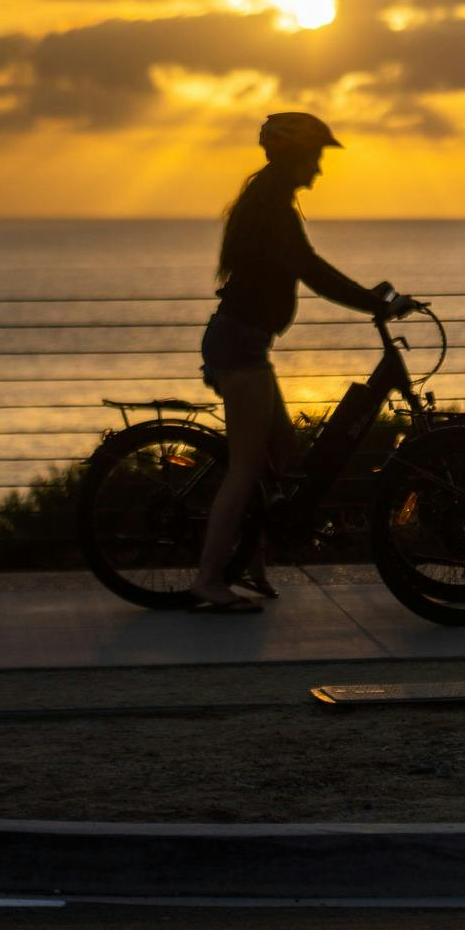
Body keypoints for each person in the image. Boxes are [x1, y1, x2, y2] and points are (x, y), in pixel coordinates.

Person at [189, 112, 414, 612]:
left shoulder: (268, 201)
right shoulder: (271, 208)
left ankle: (251, 567)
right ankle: (208, 580)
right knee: (246, 467)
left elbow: (308, 267)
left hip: (244, 343)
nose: (318, 168)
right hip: (239, 346)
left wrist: (370, 297)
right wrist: (374, 303)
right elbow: (311, 270)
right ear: (294, 156)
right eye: (314, 157)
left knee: (280, 453)